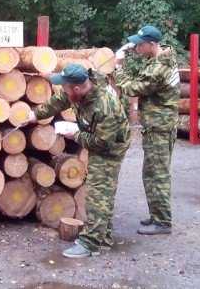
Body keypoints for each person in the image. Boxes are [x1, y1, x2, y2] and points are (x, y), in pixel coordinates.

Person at [27, 63, 131, 258]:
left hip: (110, 148)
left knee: (98, 193)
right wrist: (35, 115)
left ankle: (91, 244)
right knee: (102, 191)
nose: (63, 89)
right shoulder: (78, 91)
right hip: (99, 138)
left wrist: (74, 134)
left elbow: (102, 143)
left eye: (65, 86)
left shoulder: (104, 105)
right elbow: (60, 100)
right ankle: (103, 238)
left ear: (76, 88)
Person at [114, 25, 180, 235]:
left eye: (140, 44)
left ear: (152, 44)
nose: (136, 47)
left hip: (160, 127)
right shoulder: (160, 58)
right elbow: (141, 77)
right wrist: (131, 50)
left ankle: (162, 222)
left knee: (157, 174)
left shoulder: (159, 68)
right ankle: (157, 215)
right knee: (151, 173)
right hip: (159, 125)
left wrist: (118, 65)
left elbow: (131, 87)